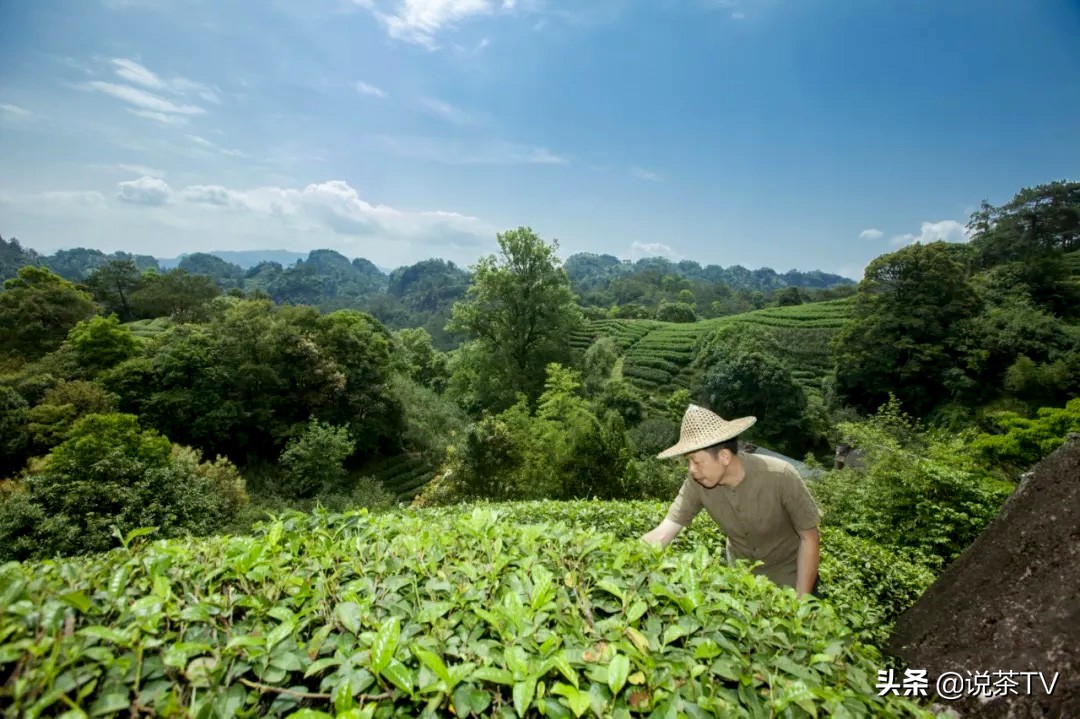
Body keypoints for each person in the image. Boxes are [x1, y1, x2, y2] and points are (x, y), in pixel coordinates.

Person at [640, 404, 822, 598]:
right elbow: (665, 531)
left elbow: (809, 537)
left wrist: (801, 602)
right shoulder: (697, 483)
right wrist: (621, 557)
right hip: (742, 583)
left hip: (792, 578)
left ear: (724, 456)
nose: (692, 470)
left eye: (696, 461)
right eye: (688, 462)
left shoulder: (781, 476)